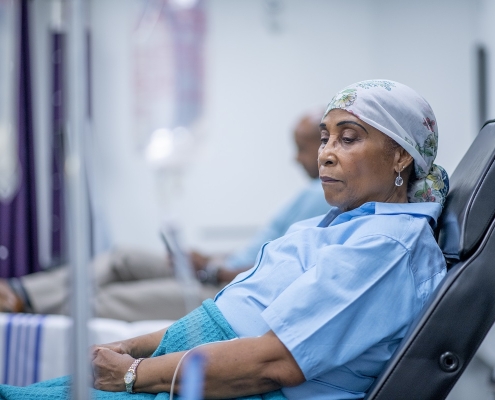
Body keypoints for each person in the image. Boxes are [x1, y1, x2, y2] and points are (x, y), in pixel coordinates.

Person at [0, 79, 450, 399]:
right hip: (199, 359)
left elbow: (273, 363)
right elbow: (242, 306)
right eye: (325, 138)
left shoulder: (387, 248)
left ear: (400, 156)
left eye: (348, 139)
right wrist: (136, 345)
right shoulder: (344, 222)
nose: (325, 153)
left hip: (230, 382)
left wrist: (136, 373)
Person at [0, 110, 330, 321]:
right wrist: (211, 259)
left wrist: (215, 269)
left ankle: (24, 304)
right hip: (218, 272)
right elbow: (266, 251)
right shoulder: (309, 194)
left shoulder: (321, 195)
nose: (294, 158)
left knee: (109, 299)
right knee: (122, 258)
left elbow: (283, 271)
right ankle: (21, 291)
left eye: (301, 147)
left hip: (226, 290)